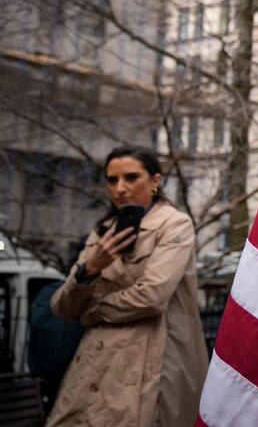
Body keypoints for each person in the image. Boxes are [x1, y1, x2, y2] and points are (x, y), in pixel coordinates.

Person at [47, 147, 208, 427]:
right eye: (112, 180)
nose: (120, 188)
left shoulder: (175, 224)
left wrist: (93, 311)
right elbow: (62, 306)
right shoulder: (103, 232)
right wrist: (91, 268)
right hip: (94, 365)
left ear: (155, 181)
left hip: (151, 363)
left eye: (131, 178)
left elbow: (152, 297)